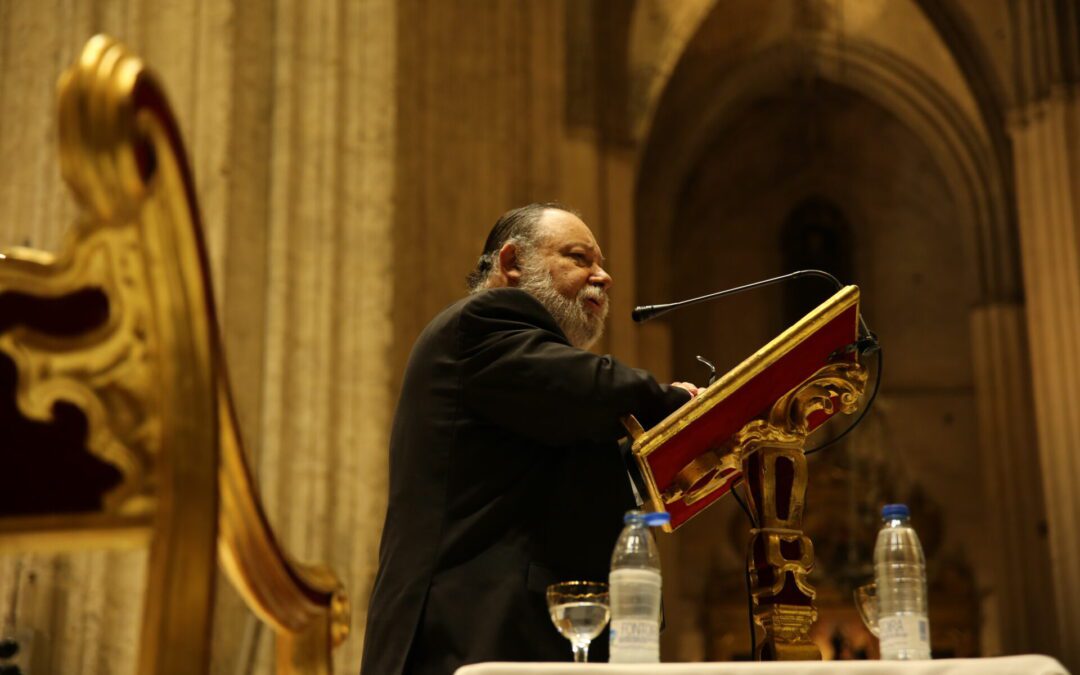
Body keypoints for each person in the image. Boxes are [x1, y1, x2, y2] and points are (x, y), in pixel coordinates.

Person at [360, 203, 699, 675]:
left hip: (520, 633)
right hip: (470, 633)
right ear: (513, 262)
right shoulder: (486, 321)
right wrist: (677, 400)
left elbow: (556, 481)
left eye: (602, 263)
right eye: (580, 258)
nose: (603, 277)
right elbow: (593, 387)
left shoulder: (536, 395)